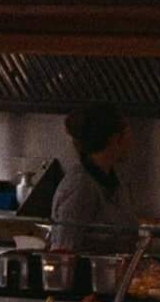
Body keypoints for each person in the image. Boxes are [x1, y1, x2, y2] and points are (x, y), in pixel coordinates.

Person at [50, 102, 138, 252]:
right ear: (114, 139)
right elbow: (64, 251)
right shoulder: (80, 186)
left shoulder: (116, 180)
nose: (132, 140)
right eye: (128, 133)